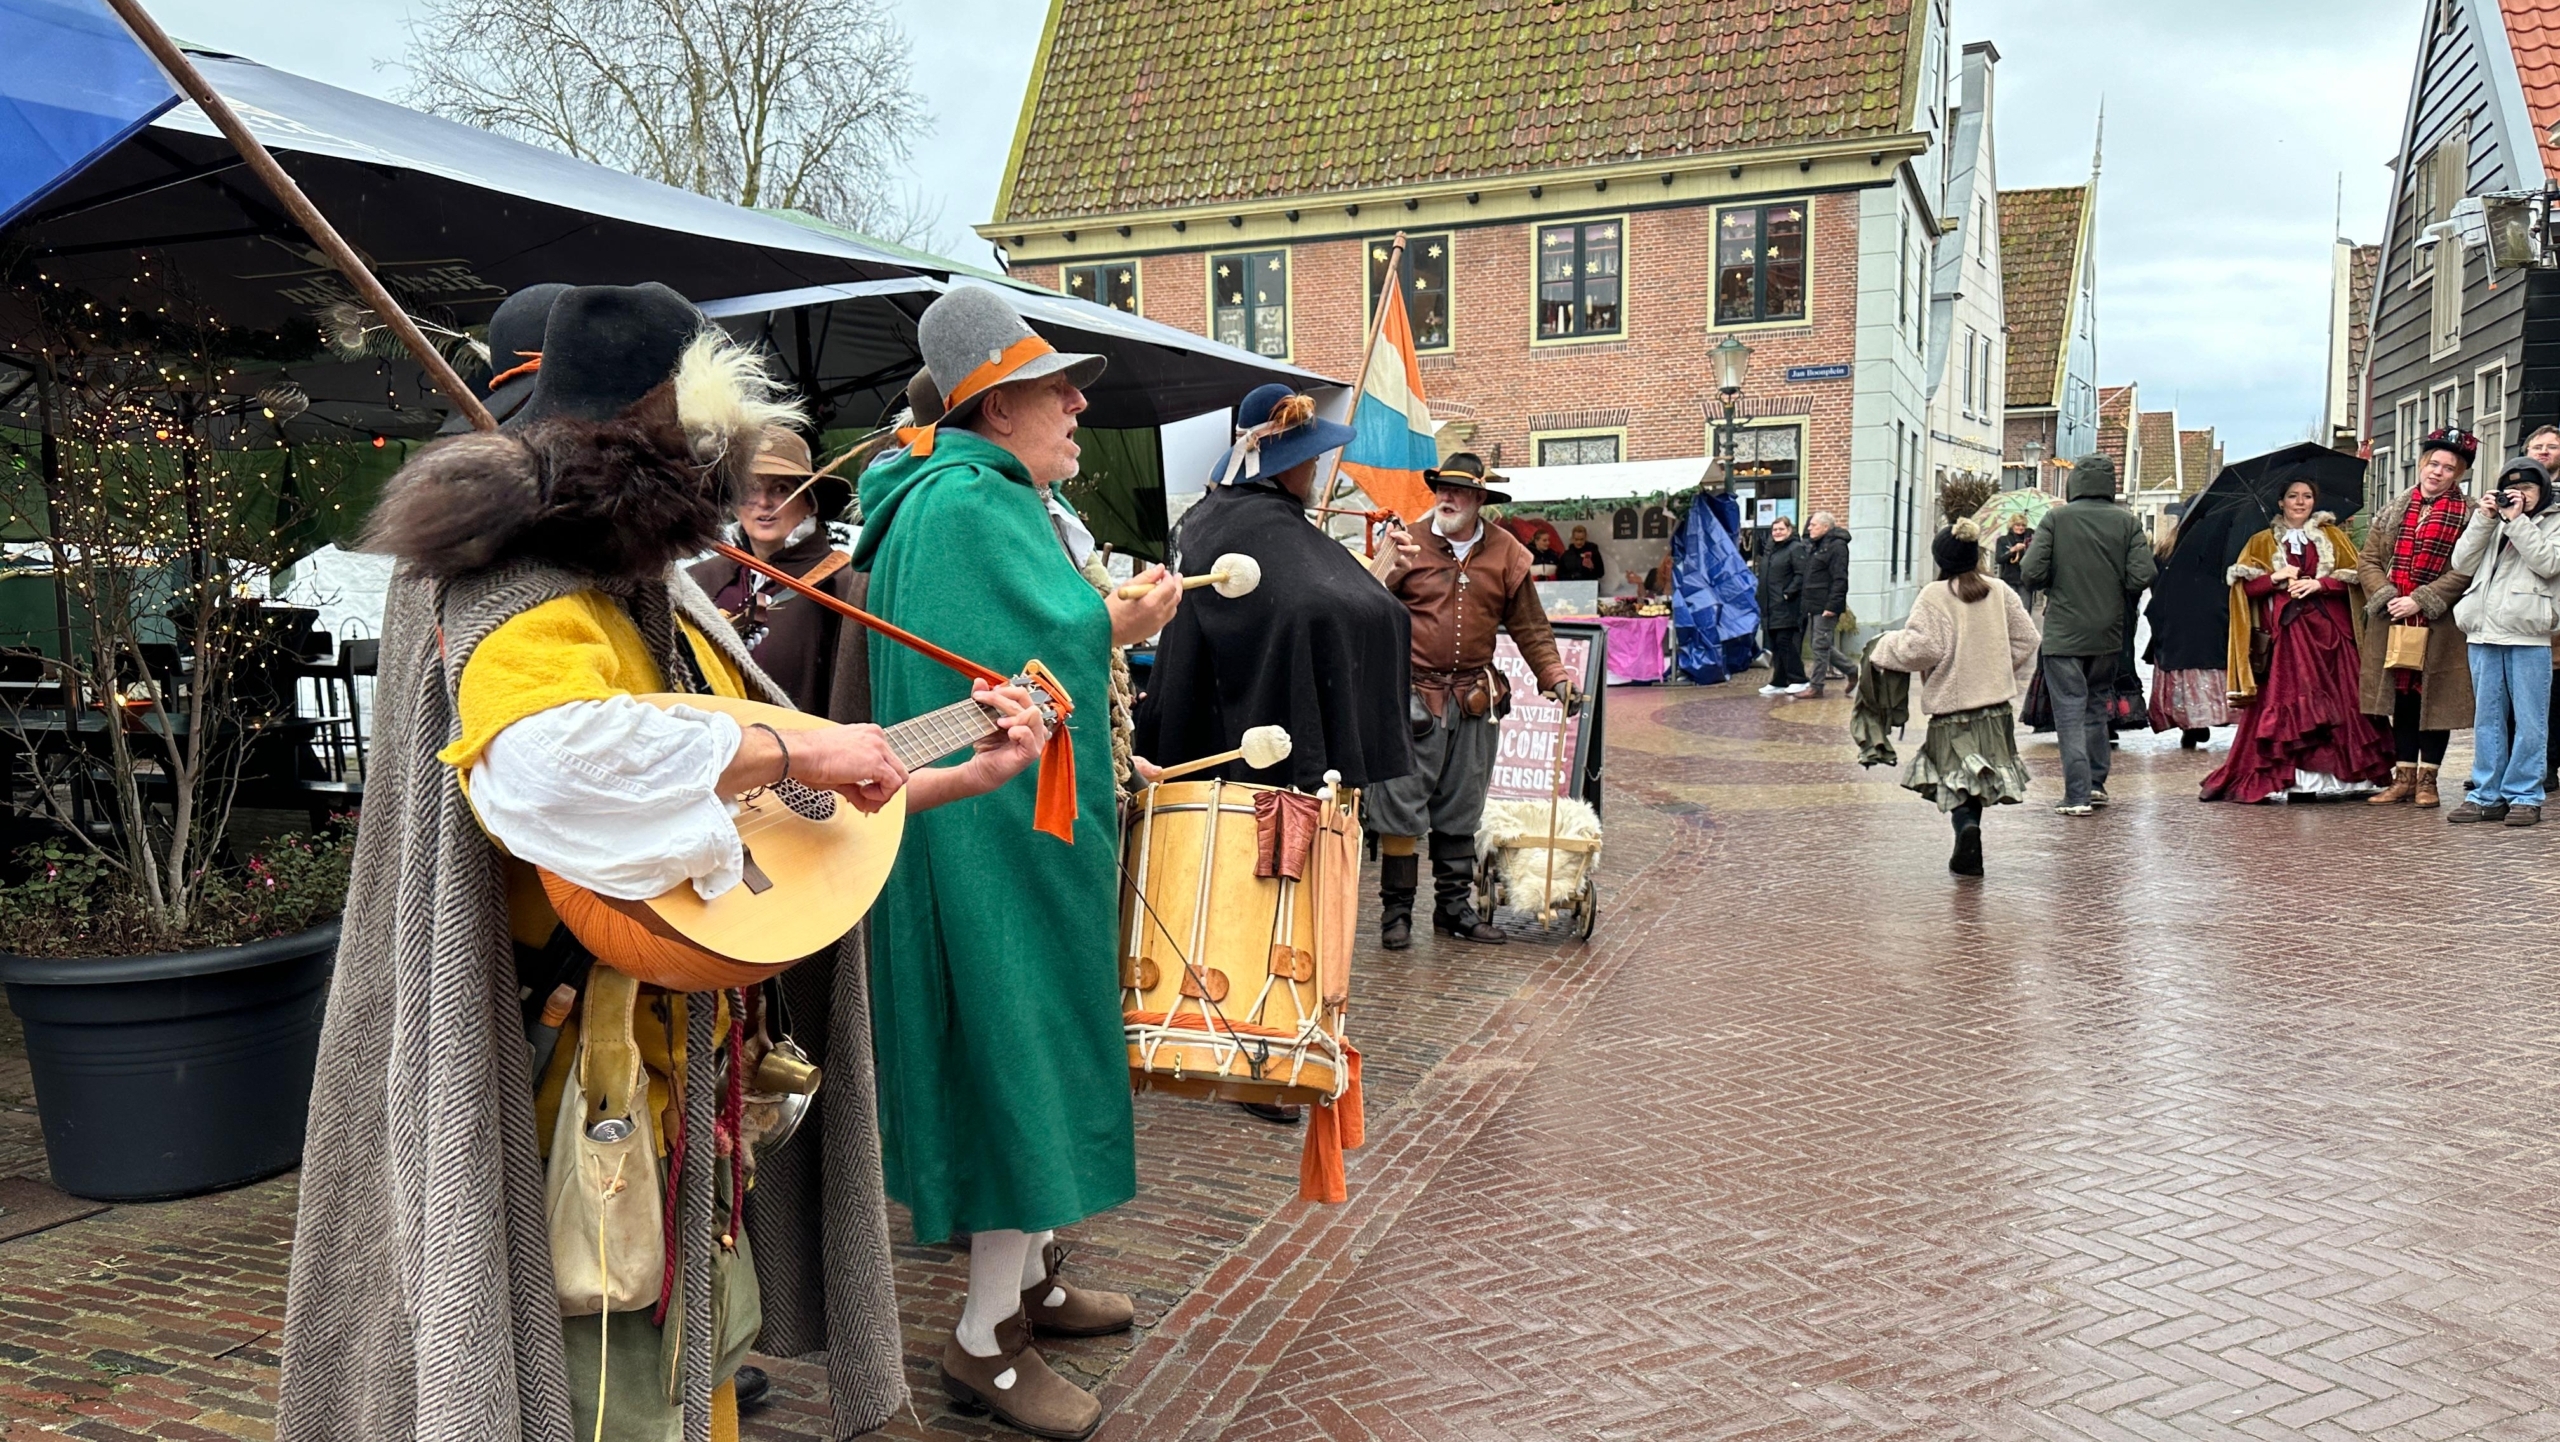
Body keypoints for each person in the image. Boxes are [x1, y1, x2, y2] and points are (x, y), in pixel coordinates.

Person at [277, 283, 1049, 1442]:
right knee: (608, 1376)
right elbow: (546, 762)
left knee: (692, 1349)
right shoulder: (519, 576)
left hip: (673, 1054)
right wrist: (795, 741)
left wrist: (945, 771)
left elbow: (769, 796)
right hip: (564, 1065)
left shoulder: (645, 586)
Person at [854, 284, 1179, 1440]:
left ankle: (1032, 1276)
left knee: (1036, 1044)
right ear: (995, 407)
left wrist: (1097, 618)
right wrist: (1122, 624)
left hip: (1013, 828)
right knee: (1015, 1052)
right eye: (1057, 386)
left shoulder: (966, 492)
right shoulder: (966, 503)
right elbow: (1013, 673)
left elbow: (1014, 651)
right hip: (991, 841)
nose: (1079, 402)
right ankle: (985, 1338)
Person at [1139, 383, 1412, 794]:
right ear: (1286, 463)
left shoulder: (1219, 515)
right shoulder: (1258, 524)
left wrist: (1375, 579)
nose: (1316, 467)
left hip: (1204, 732)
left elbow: (1301, 593)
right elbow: (1313, 606)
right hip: (1259, 759)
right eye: (1311, 457)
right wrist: (1373, 598)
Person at [1369, 453, 1580, 948]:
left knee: (1461, 809)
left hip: (1474, 701)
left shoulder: (1507, 554)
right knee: (1400, 807)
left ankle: (1454, 911)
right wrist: (1386, 564)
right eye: (1441, 488)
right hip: (1411, 698)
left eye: (1458, 491)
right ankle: (1396, 915)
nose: (1446, 497)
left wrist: (1555, 675)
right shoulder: (1407, 543)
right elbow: (1366, 604)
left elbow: (1530, 625)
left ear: (1480, 499)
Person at [2200, 479, 2393, 803]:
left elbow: (2357, 580)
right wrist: (2274, 578)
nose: (2300, 502)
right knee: (2294, 699)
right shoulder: (2261, 542)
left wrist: (2321, 585)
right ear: (2280, 502)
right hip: (2288, 638)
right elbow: (2243, 590)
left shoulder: (2334, 537)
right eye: (2293, 496)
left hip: (2333, 634)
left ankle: (2345, 778)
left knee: (2343, 701)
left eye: (2307, 496)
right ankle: (2296, 781)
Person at [1868, 520, 2040, 876]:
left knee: (1954, 777)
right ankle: (1971, 832)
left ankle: (1965, 829)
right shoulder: (2000, 590)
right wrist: (1996, 666)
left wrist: (1883, 646)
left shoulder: (1934, 595)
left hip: (1951, 708)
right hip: (1995, 709)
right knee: (1977, 777)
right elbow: (2028, 639)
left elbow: (1922, 648)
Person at [688, 426, 862, 717]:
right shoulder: (699, 582)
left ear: (810, 502)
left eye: (781, 488)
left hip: (808, 753)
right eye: (750, 488)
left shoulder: (843, 584)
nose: (764, 502)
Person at [2021, 453, 2158, 815]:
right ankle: (2096, 784)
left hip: (2065, 633)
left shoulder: (2056, 519)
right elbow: (2142, 574)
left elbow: (2031, 573)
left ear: (2075, 483)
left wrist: (2057, 581)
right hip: (2109, 633)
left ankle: (2077, 794)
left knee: (2069, 711)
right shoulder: (2127, 523)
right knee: (2096, 707)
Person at [2356, 426, 2477, 809]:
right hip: (2393, 619)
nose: (2437, 472)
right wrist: (2389, 596)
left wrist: (2421, 600)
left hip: (2439, 624)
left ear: (2459, 474)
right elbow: (2368, 560)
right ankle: (2403, 778)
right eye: (2433, 463)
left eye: (2448, 467)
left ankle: (2429, 781)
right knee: (2402, 700)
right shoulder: (2392, 509)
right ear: (2423, 464)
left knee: (2434, 702)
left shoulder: (2470, 514)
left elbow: (2466, 569)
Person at [2446, 456, 2560, 825]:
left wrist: (2517, 521)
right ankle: (2485, 795)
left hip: (2529, 632)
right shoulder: (2494, 520)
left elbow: (2548, 563)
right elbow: (2461, 562)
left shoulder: (2554, 521)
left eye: (2528, 488)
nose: (2519, 495)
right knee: (2488, 718)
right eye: (2513, 488)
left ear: (2542, 490)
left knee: (2530, 720)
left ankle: (2525, 795)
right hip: (2482, 629)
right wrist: (2483, 518)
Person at [2142, 517, 2228, 747]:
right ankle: (2207, 717)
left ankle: (2190, 723)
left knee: (2181, 674)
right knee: (2207, 671)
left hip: (2175, 625)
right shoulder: (2219, 549)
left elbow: (2154, 584)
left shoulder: (2165, 551)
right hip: (2211, 624)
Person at [1800, 511, 1856, 696]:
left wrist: (1832, 606)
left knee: (1819, 645)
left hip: (1826, 605)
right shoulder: (1816, 546)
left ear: (1825, 527)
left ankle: (1816, 686)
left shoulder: (1837, 547)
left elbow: (1840, 578)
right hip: (1814, 603)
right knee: (1821, 644)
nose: (1809, 528)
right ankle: (1851, 669)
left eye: (1813, 525)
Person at [1756, 513, 1810, 695]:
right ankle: (1779, 680)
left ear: (1789, 530)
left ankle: (1799, 678)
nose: (1777, 532)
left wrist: (1788, 593)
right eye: (1774, 529)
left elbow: (1801, 574)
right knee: (1776, 645)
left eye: (1781, 529)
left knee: (1786, 643)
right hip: (1770, 607)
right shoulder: (1771, 550)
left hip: (1787, 606)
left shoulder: (1795, 549)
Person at [1996, 512, 2034, 597]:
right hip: (2009, 580)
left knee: (2025, 609)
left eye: (2023, 525)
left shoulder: (2029, 539)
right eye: (2017, 525)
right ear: (2012, 525)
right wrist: (2013, 550)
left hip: (2025, 580)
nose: (2020, 528)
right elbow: (1999, 559)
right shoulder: (2003, 540)